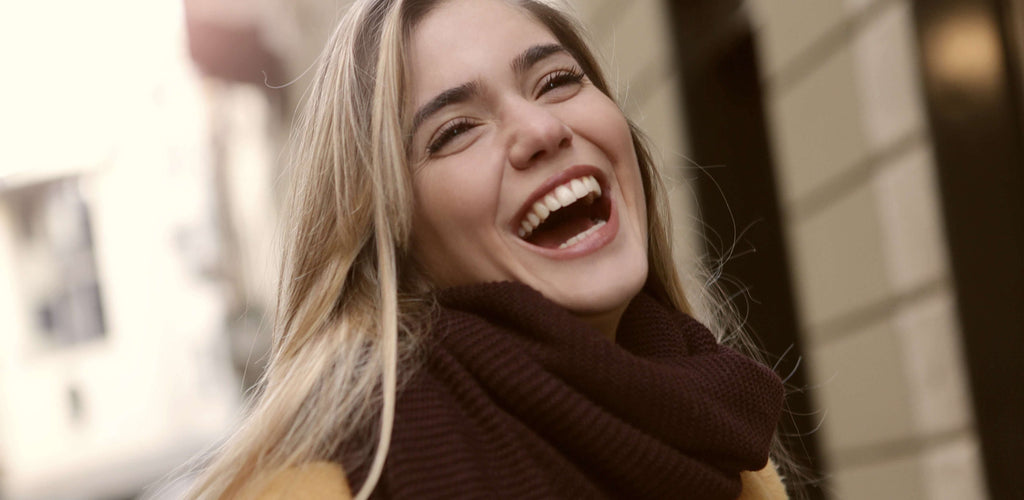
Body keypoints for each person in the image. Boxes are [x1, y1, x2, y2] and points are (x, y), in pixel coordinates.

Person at [189, 0, 789, 498]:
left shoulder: (732, 453)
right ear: (393, 243)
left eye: (556, 81)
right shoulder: (322, 485)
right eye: (454, 130)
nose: (542, 130)